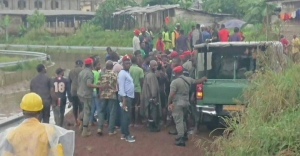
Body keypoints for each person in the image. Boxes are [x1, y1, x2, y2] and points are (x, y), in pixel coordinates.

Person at [0, 93, 75, 156]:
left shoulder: (12, 134)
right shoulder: (49, 131)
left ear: (22, 110)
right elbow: (58, 153)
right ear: (39, 112)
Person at [168, 66, 207, 146]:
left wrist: (169, 103)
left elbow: (171, 95)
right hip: (186, 102)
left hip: (177, 103)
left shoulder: (175, 82)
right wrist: (203, 78)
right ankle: (185, 135)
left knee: (178, 120)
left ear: (175, 73)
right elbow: (197, 81)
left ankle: (181, 138)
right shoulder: (188, 79)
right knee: (184, 119)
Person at [77, 58, 103, 137]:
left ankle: (81, 126)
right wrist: (99, 86)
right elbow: (89, 84)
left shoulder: (81, 72)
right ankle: (85, 131)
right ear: (91, 64)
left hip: (80, 93)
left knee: (84, 110)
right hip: (87, 94)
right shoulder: (89, 73)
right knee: (87, 112)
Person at [98, 60, 119, 136]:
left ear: (106, 66)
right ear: (112, 67)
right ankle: (111, 130)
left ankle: (100, 127)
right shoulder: (114, 74)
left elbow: (99, 84)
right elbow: (117, 84)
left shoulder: (102, 74)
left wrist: (99, 93)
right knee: (112, 112)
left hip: (103, 94)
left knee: (101, 111)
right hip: (112, 94)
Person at [118, 55, 136, 143]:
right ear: (123, 64)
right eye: (126, 63)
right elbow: (121, 87)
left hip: (129, 97)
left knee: (126, 116)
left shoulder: (127, 72)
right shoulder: (122, 74)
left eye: (129, 63)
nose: (128, 64)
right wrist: (124, 99)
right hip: (125, 98)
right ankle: (127, 135)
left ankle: (124, 134)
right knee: (126, 116)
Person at [141, 60, 161, 132]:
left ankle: (151, 125)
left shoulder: (149, 74)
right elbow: (153, 87)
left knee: (150, 112)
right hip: (151, 97)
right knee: (152, 112)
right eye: (154, 65)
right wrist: (154, 97)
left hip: (148, 96)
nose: (155, 67)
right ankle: (152, 127)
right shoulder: (151, 76)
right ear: (150, 66)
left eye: (156, 65)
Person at [129, 56, 144, 127]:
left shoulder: (129, 69)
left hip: (130, 90)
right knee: (138, 106)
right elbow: (141, 81)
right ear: (137, 61)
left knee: (131, 106)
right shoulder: (140, 70)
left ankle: (131, 122)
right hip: (137, 90)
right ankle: (138, 122)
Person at [68, 60, 84, 126]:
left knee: (75, 106)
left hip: (73, 90)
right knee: (81, 106)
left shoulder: (71, 71)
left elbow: (69, 81)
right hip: (80, 90)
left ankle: (75, 121)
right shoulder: (82, 70)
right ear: (81, 64)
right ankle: (80, 120)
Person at [89, 60, 101, 127]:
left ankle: (91, 121)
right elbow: (98, 84)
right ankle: (100, 121)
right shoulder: (97, 73)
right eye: (99, 65)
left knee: (93, 107)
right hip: (96, 91)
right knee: (98, 107)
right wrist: (99, 93)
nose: (100, 66)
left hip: (91, 91)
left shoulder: (90, 72)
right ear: (95, 66)